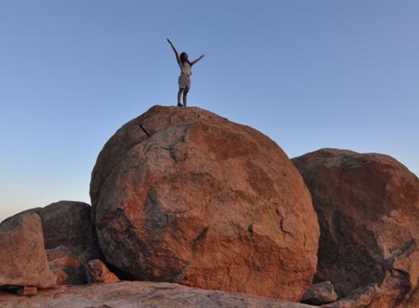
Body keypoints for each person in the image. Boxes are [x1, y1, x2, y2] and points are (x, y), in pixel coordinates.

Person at [167, 38, 205, 107]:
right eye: (185, 56)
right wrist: (171, 44)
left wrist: (200, 57)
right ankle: (178, 102)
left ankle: (185, 105)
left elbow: (195, 61)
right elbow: (176, 52)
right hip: (183, 77)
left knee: (186, 92)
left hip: (188, 78)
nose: (186, 57)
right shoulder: (180, 62)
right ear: (182, 57)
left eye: (186, 56)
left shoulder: (189, 64)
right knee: (181, 89)